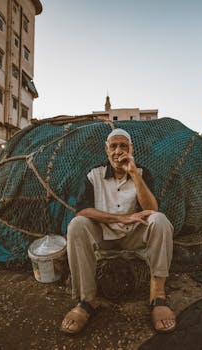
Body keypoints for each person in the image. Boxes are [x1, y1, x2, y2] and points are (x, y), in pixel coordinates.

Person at [60, 128, 176, 335]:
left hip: (133, 236)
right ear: (106, 150)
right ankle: (86, 301)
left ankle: (157, 296)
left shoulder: (142, 172)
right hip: (103, 236)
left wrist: (133, 173)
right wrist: (121, 218)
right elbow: (83, 211)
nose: (118, 151)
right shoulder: (93, 175)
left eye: (123, 146)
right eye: (113, 146)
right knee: (76, 225)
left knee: (160, 220)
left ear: (131, 149)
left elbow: (152, 209)